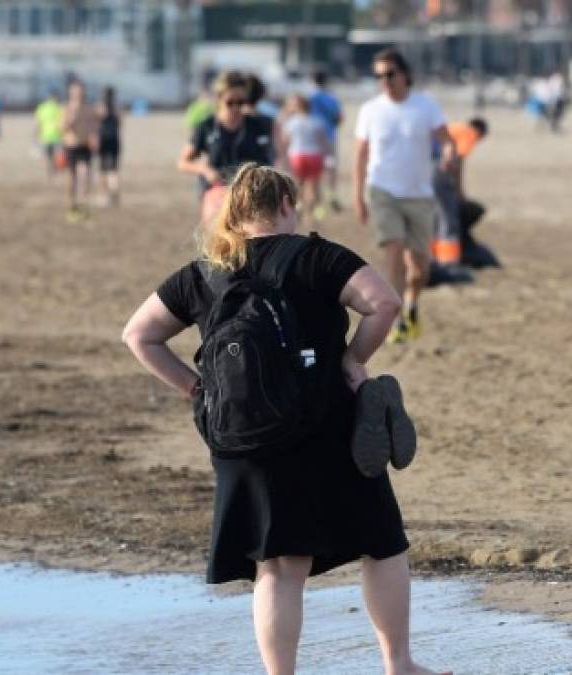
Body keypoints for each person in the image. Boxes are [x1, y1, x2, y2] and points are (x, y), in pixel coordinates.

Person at [122, 163, 444, 675]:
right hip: (326, 426)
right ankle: (398, 664)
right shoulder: (318, 257)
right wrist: (351, 360)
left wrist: (195, 387)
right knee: (382, 542)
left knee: (276, 567)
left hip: (242, 435)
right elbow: (384, 302)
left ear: (235, 213)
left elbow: (138, 336)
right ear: (288, 206)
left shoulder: (204, 271)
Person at [354, 48, 455, 344]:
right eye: (378, 76)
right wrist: (358, 196)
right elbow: (360, 154)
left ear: (405, 74)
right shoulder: (370, 110)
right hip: (382, 190)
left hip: (419, 195)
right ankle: (396, 322)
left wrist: (448, 155)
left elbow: (446, 140)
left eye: (389, 74)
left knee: (419, 266)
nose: (384, 80)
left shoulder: (425, 106)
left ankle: (412, 305)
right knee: (394, 252)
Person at [177, 71, 274, 222]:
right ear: (219, 99)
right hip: (217, 194)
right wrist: (205, 169)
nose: (236, 108)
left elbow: (276, 159)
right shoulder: (206, 127)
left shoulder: (259, 126)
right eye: (230, 102)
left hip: (253, 197)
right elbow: (183, 162)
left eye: (241, 102)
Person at [430, 118, 487, 274]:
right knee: (448, 216)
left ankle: (432, 256)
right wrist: (459, 191)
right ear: (480, 132)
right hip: (437, 168)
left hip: (422, 166)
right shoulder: (470, 134)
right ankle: (448, 261)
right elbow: (458, 160)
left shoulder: (456, 127)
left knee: (434, 215)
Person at [280, 93, 330, 228]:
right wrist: (328, 158)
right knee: (315, 188)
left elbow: (285, 141)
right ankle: (316, 215)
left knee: (298, 186)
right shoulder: (317, 121)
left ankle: (300, 209)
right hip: (314, 155)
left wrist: (283, 158)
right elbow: (324, 142)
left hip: (296, 155)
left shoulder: (291, 122)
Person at [60, 80, 98, 222]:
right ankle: (71, 205)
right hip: (71, 146)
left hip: (85, 146)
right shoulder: (66, 108)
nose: (78, 94)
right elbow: (62, 128)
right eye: (75, 91)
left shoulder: (88, 108)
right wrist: (70, 118)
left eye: (80, 91)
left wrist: (94, 137)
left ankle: (83, 205)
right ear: (70, 93)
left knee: (84, 175)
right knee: (71, 178)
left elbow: (93, 125)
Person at [308, 71, 344, 213]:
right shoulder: (331, 97)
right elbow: (339, 118)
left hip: (313, 138)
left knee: (315, 171)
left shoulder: (309, 97)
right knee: (331, 168)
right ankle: (332, 196)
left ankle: (316, 202)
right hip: (329, 136)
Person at [96, 86, 122, 206]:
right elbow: (121, 123)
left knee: (102, 169)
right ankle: (114, 196)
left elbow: (97, 119)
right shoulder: (117, 107)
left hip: (103, 138)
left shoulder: (101, 106)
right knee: (113, 169)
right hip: (114, 138)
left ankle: (102, 196)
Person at [34, 89, 64, 178]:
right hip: (56, 135)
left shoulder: (42, 107)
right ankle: (53, 170)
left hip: (45, 135)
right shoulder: (59, 107)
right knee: (55, 155)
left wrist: (36, 133)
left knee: (47, 156)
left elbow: (37, 122)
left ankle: (48, 172)